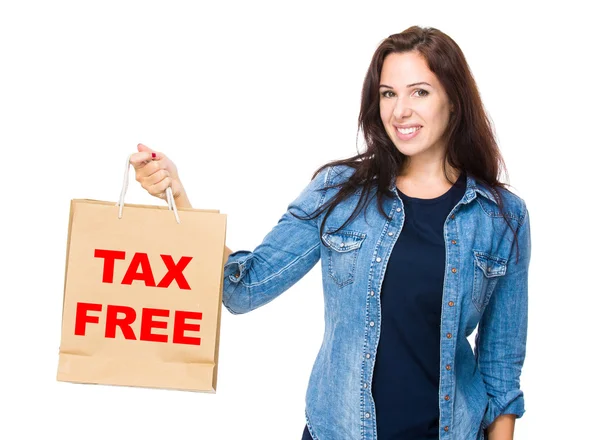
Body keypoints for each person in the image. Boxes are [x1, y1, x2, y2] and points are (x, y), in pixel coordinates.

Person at [129, 25, 531, 440]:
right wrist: (179, 198)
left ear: (454, 101)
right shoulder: (340, 192)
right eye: (388, 93)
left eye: (420, 92)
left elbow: (501, 368)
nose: (399, 111)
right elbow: (244, 287)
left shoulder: (501, 217)